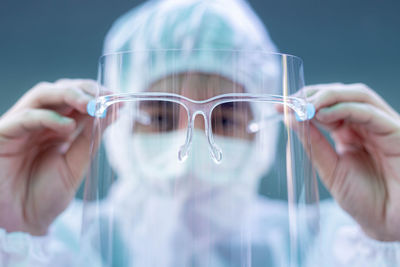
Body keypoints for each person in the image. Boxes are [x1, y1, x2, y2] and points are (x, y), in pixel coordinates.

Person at [0, 0, 399, 266]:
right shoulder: (58, 249)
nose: (191, 146)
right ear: (115, 123)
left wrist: (390, 233)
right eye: (159, 116)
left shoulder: (334, 246)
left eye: (225, 118)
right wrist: (15, 230)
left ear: (266, 127)